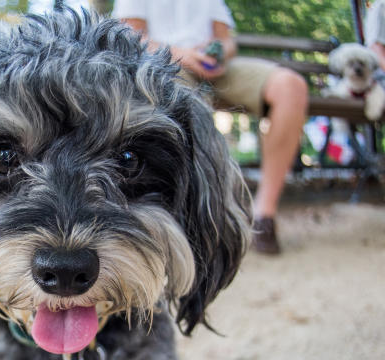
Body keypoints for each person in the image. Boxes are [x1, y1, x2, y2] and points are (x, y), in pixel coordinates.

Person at [113, 0, 309, 255]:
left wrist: (218, 54)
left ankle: (264, 215)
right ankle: (200, 223)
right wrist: (181, 54)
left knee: (291, 87)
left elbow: (227, 40)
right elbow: (128, 36)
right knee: (181, 102)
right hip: (160, 63)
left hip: (213, 68)